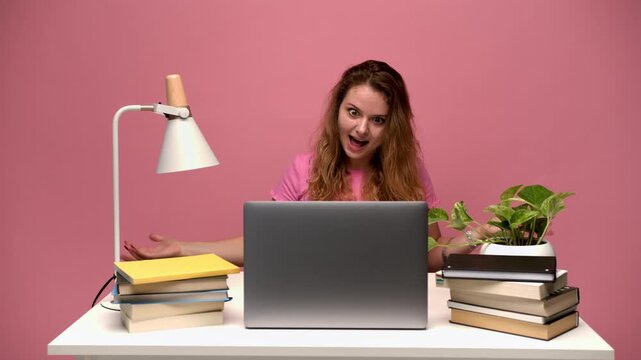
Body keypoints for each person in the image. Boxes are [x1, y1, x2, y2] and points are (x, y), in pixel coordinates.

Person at [123, 60, 481, 272]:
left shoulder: (410, 173)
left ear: (393, 127)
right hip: (315, 299)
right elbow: (264, 245)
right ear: (337, 109)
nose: (360, 129)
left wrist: (471, 239)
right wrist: (183, 248)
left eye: (377, 120)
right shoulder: (303, 169)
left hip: (392, 303)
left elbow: (428, 257)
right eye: (353, 113)